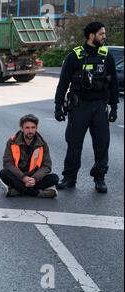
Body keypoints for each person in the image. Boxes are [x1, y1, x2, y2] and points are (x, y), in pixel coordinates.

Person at [54, 21, 119, 194]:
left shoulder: (107, 56)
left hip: (99, 107)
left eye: (104, 34)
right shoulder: (74, 56)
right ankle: (69, 178)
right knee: (74, 144)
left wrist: (114, 108)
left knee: (102, 144)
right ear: (91, 35)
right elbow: (63, 84)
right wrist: (58, 106)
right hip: (79, 106)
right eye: (101, 34)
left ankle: (100, 178)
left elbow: (113, 85)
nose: (104, 37)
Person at [0, 114, 59, 198]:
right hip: (19, 177)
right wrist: (23, 177)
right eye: (27, 128)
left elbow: (46, 166)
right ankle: (36, 193)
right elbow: (8, 164)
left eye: (33, 127)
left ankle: (19, 190)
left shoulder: (42, 144)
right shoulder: (12, 142)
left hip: (34, 178)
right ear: (21, 128)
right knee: (4, 173)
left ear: (36, 128)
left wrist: (34, 179)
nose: (30, 131)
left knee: (54, 178)